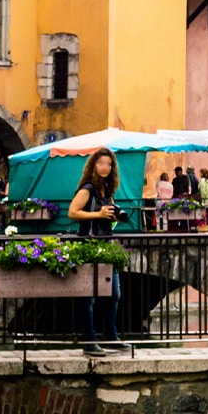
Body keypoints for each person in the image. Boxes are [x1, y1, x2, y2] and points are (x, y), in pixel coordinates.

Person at [66, 150, 129, 354]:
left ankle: (111, 336)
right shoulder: (88, 188)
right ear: (93, 165)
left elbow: (104, 215)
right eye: (101, 163)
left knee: (113, 293)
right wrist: (99, 213)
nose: (105, 167)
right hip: (89, 243)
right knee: (88, 295)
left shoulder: (106, 190)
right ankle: (89, 340)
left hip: (106, 244)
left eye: (108, 164)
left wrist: (111, 216)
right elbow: (72, 212)